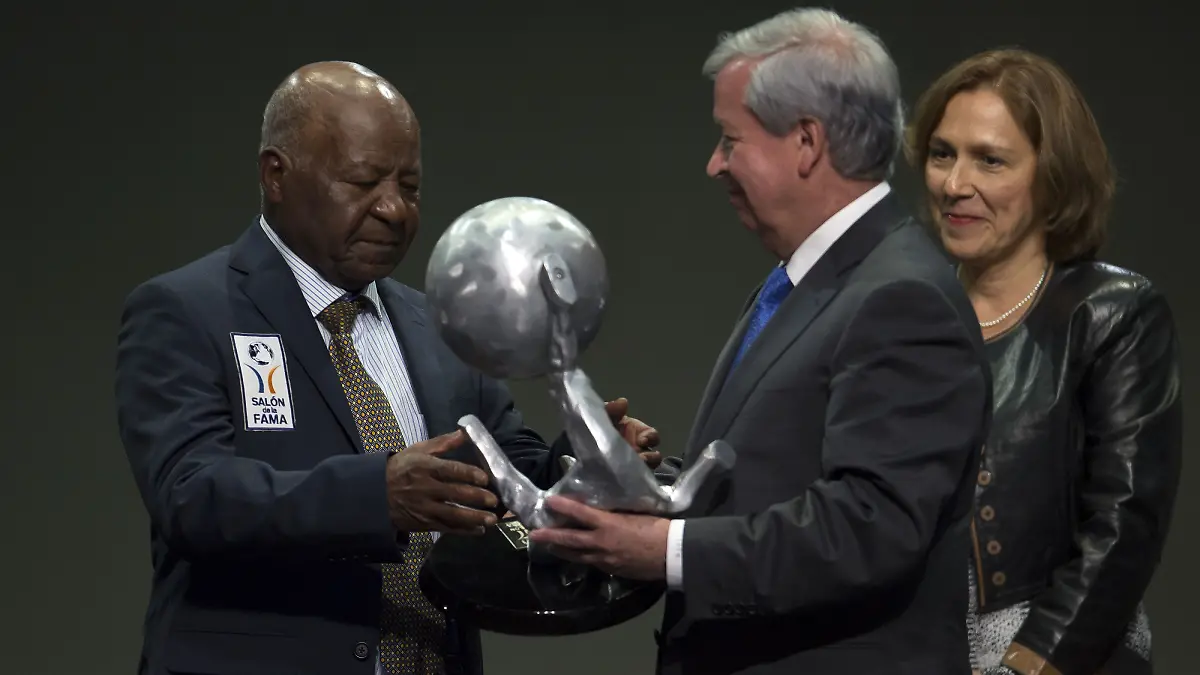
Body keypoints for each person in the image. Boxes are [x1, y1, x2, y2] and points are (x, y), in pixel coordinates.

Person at [114, 61, 658, 675]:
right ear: (276, 175)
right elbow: (192, 497)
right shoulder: (188, 310)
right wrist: (377, 496)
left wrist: (579, 467)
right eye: (364, 181)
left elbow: (502, 465)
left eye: (411, 186)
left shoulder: (440, 325)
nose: (395, 210)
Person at [529, 9, 992, 674]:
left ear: (805, 143)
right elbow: (774, 482)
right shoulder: (810, 280)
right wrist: (649, 487)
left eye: (730, 139)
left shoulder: (901, 298)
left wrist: (664, 548)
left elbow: (871, 525)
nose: (714, 163)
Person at [905, 48, 1183, 675]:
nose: (954, 184)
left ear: (1052, 176)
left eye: (990, 160)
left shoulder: (1111, 311)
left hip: (1056, 653)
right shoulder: (903, 314)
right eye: (942, 153)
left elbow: (1125, 521)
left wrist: (1032, 661)